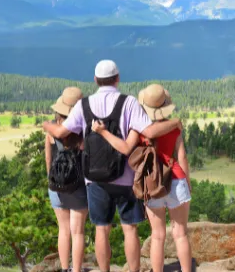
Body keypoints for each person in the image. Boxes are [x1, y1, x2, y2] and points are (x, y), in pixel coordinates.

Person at [43, 60, 181, 272]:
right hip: (125, 176)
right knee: (130, 229)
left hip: (94, 178)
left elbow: (61, 133)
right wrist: (175, 123)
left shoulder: (83, 105)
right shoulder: (129, 102)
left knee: (101, 229)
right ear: (117, 79)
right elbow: (151, 132)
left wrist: (45, 125)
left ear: (95, 80)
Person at [92, 84, 193, 272]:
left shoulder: (138, 130)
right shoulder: (174, 128)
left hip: (150, 184)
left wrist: (102, 132)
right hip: (176, 178)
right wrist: (187, 182)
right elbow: (182, 157)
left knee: (157, 235)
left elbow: (125, 148)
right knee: (180, 234)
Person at [45, 87, 89, 272]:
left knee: (63, 230)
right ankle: (76, 270)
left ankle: (64, 268)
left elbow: (48, 159)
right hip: (78, 186)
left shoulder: (52, 132)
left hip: (56, 186)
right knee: (78, 231)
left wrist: (52, 181)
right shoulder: (83, 132)